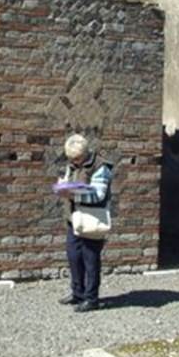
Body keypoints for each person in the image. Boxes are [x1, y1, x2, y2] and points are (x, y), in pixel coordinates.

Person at [55, 133, 113, 312]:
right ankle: (77, 293)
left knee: (90, 260)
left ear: (86, 153)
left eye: (77, 158)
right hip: (74, 219)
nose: (74, 162)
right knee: (74, 257)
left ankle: (91, 299)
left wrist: (73, 193)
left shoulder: (100, 167)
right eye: (71, 159)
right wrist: (63, 185)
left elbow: (99, 195)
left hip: (91, 220)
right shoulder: (72, 165)